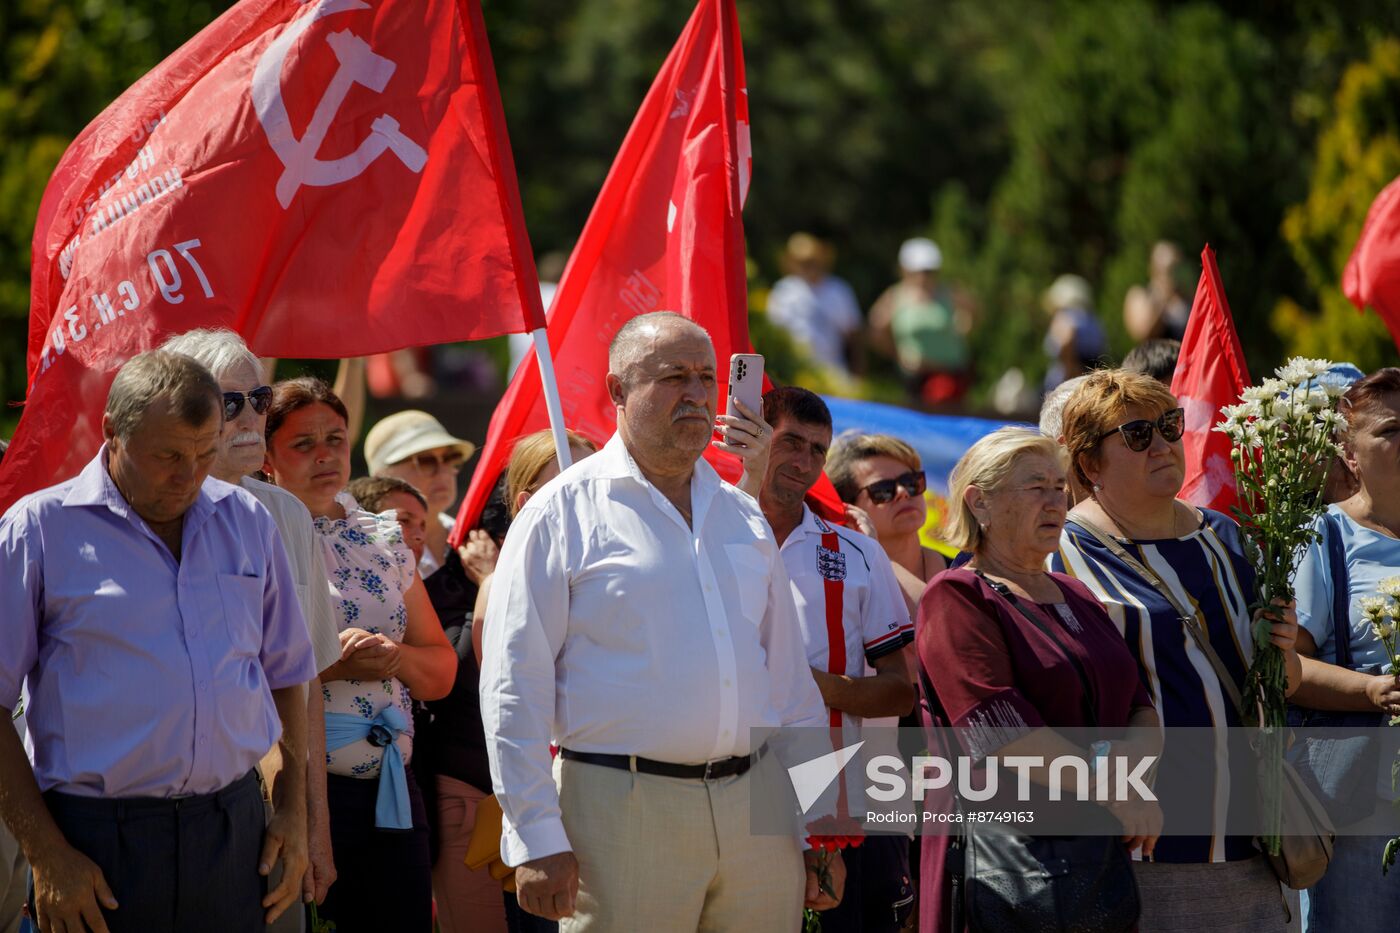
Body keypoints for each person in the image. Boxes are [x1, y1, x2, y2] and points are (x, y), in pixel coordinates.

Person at [482, 311, 841, 930]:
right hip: (619, 810)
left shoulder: (743, 517)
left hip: (759, 810)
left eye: (706, 377)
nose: (698, 393)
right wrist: (535, 836)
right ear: (617, 389)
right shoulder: (559, 513)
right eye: (673, 376)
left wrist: (822, 823)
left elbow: (790, 690)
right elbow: (515, 687)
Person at [0, 350, 316, 932]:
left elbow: (289, 673)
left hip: (235, 833)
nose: (188, 476)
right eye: (168, 455)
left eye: (203, 453)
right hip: (93, 847)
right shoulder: (37, 531)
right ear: (112, 433)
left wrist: (295, 812)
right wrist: (46, 854)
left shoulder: (248, 520)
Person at [1052, 369, 1302, 931]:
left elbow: (1279, 683)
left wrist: (1282, 652)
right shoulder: (1062, 553)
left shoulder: (1227, 536)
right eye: (1138, 435)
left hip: (1255, 840)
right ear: (1090, 465)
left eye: (1170, 425)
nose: (1164, 445)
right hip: (1145, 847)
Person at [918, 426, 1162, 931]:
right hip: (1006, 864)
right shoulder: (957, 597)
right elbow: (1004, 733)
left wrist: (1128, 782)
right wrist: (1117, 791)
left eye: (1059, 488)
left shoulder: (1076, 594)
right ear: (979, 502)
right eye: (1035, 488)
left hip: (1094, 855)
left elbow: (1140, 704)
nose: (1056, 502)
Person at [162, 327, 344, 918]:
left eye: (259, 400)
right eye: (230, 401)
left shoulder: (285, 516)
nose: (250, 418)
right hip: (142, 816)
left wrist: (313, 825)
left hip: (265, 812)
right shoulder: (128, 517)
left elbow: (304, 682)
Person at [264, 378, 457, 933]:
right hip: (298, 795)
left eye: (336, 439)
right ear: (268, 457)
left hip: (394, 787)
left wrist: (394, 658)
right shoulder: (258, 533)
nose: (325, 455)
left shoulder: (383, 537)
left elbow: (440, 671)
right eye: (304, 444)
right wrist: (338, 664)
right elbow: (250, 671)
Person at [756, 386, 917, 932]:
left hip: (827, 814)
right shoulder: (699, 537)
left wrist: (814, 687)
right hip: (708, 800)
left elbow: (901, 690)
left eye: (818, 450)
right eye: (790, 443)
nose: (804, 462)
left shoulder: (858, 552)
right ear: (755, 440)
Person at [348, 471, 511, 933]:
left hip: (427, 791)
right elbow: (462, 671)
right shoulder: (439, 590)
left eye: (422, 523)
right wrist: (491, 585)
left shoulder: (446, 583)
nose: (417, 533)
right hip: (432, 792)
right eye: (403, 521)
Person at [1289, 368, 1400, 928]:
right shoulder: (1324, 536)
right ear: (1349, 457)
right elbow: (1288, 670)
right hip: (1363, 807)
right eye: (1392, 429)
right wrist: (1374, 690)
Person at [826, 433, 948, 614]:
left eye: (911, 482)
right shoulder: (845, 591)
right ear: (848, 509)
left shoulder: (967, 569)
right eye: (883, 490)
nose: (903, 492)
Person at [364, 410, 489, 579]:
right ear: (382, 476)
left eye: (451, 458)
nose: (444, 471)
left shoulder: (476, 539)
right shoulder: (366, 551)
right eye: (425, 461)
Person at [868, 238, 973, 406]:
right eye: (919, 270)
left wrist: (965, 329)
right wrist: (898, 355)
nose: (924, 276)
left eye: (929, 270)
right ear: (905, 270)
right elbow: (876, 331)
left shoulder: (949, 292)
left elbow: (975, 311)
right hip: (914, 379)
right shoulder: (895, 297)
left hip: (951, 374)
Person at [767, 232, 863, 376]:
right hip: (793, 373)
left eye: (812, 261)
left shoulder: (838, 290)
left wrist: (858, 372)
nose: (808, 266)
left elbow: (854, 336)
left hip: (833, 374)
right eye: (803, 262)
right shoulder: (783, 291)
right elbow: (774, 334)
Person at [1042, 274, 1107, 392]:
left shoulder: (1064, 316)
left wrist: (1070, 369)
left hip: (1067, 384)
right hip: (1093, 380)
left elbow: (1067, 339)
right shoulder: (1092, 319)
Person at [1123, 241, 1191, 342]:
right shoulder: (1139, 296)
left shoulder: (1184, 299)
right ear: (1153, 268)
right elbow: (1143, 332)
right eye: (1168, 269)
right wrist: (1163, 299)